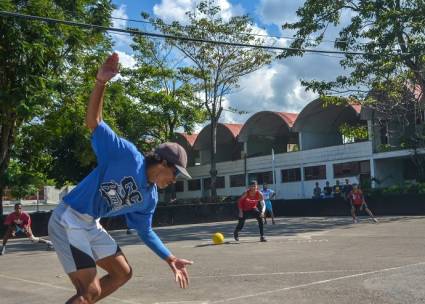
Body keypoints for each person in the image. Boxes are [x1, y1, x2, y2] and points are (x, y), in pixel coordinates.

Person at [48, 53, 193, 304]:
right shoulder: (126, 156)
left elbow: (145, 231)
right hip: (68, 219)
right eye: (175, 173)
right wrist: (101, 83)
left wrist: (169, 257)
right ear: (163, 162)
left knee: (122, 273)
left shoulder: (149, 198)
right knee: (90, 291)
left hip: (90, 224)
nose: (175, 180)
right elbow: (94, 122)